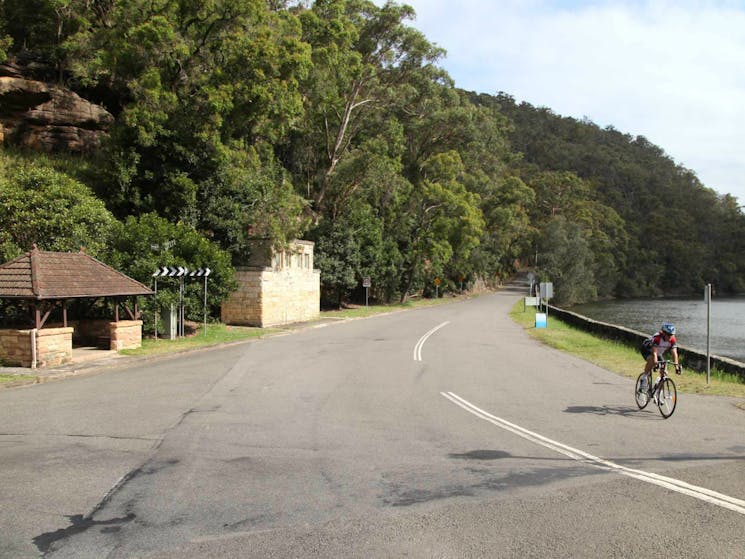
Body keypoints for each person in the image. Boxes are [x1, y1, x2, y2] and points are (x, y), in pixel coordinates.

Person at [639, 322, 682, 392]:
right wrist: (655, 363)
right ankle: (644, 378)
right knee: (652, 360)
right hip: (647, 350)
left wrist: (676, 366)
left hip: (658, 353)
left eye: (671, 335)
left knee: (664, 372)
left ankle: (658, 392)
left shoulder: (672, 340)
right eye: (668, 335)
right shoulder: (657, 338)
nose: (670, 337)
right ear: (664, 333)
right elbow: (654, 353)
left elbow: (674, 354)